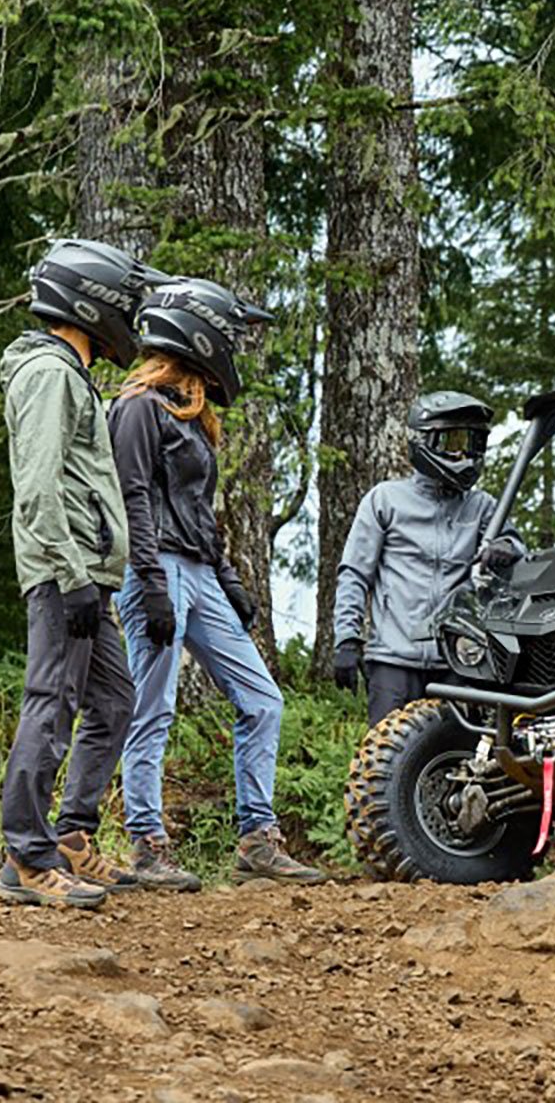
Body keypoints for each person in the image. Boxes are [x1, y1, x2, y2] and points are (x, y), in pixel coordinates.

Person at [110, 277, 323, 887]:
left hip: (198, 573)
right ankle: (146, 847)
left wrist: (229, 580)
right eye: (228, 335)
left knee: (262, 700)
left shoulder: (191, 414)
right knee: (154, 707)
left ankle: (258, 838)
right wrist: (149, 582)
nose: (233, 348)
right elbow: (133, 499)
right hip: (157, 569)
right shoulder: (136, 409)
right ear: (197, 332)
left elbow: (199, 511)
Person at [0, 238, 172, 908]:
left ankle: (70, 835)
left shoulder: (69, 374)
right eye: (124, 304)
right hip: (63, 575)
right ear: (90, 304)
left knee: (114, 701)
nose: (130, 317)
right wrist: (69, 576)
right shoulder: (48, 374)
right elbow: (37, 487)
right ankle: (26, 856)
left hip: (86, 577)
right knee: (51, 704)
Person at [332, 392, 525, 726]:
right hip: (392, 660)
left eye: (472, 442)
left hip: (455, 660)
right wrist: (347, 640)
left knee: (460, 758)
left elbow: (520, 550)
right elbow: (354, 573)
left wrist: (507, 549)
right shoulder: (385, 500)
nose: (462, 453)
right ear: (425, 441)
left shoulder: (481, 506)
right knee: (386, 761)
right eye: (452, 441)